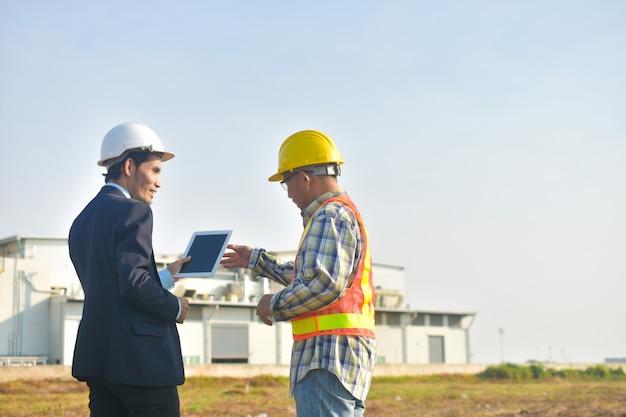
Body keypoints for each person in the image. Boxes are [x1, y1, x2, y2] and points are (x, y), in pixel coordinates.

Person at [221, 130, 376, 417]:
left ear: (304, 177)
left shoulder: (330, 215)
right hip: (340, 358)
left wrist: (274, 305)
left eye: (286, 183)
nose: (289, 194)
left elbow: (323, 284)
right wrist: (258, 261)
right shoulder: (341, 213)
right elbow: (315, 274)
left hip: (326, 357)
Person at [68, 122, 191, 417]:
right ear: (129, 165)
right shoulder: (135, 211)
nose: (158, 182)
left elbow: (110, 284)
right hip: (141, 363)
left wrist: (165, 276)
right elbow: (134, 283)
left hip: (99, 358)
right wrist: (174, 306)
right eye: (155, 170)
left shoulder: (81, 220)